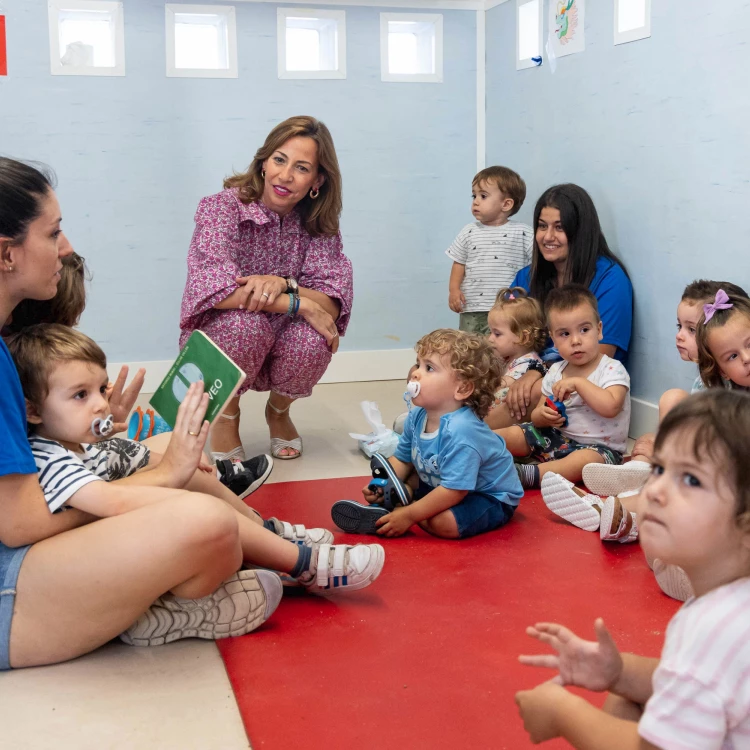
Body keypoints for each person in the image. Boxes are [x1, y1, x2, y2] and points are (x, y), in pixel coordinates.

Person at [0, 158, 377, 670]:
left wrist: (102, 436)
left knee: (164, 452)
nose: (65, 247)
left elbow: (39, 461)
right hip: (14, 583)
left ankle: (257, 546)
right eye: (54, 231)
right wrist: (163, 479)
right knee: (200, 515)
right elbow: (20, 523)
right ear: (7, 254)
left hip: (30, 557)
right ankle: (243, 576)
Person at [515, 390, 750, 749]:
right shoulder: (729, 604)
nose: (654, 490)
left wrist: (562, 712)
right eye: (659, 469)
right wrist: (619, 672)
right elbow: (690, 683)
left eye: (690, 480)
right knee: (628, 695)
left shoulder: (717, 628)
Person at [180, 116, 352, 462]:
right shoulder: (220, 208)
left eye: (301, 168)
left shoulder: (318, 225)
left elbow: (331, 302)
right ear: (263, 162)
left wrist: (285, 285)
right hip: (224, 331)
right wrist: (298, 303)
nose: (285, 176)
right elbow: (214, 290)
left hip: (283, 335)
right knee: (246, 325)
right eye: (279, 159)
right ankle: (227, 416)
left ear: (317, 180)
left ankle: (278, 410)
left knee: (315, 336)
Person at [330, 329, 523, 539]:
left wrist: (409, 515)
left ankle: (406, 503)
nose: (415, 372)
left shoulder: (462, 431)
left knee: (444, 524)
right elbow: (402, 459)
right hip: (442, 482)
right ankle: (404, 496)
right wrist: (382, 483)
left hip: (487, 494)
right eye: (418, 363)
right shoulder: (417, 416)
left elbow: (455, 490)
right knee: (411, 486)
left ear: (462, 388)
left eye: (429, 368)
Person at [580, 279, 748, 499]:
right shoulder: (709, 382)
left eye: (691, 329)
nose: (680, 336)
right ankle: (638, 473)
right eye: (680, 327)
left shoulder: (732, 389)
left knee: (666, 419)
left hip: (716, 466)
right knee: (664, 416)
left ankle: (643, 486)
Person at [505, 184, 633, 422]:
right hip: (528, 370)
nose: (548, 236)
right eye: (542, 226)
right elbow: (504, 336)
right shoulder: (527, 277)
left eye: (559, 228)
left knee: (530, 391)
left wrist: (534, 373)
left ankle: (458, 440)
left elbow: (594, 356)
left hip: (579, 382)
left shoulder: (610, 279)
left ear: (580, 232)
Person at [495, 285, 630, 493]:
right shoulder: (556, 371)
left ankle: (531, 474)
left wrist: (579, 383)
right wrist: (545, 415)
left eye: (584, 330)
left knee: (585, 462)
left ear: (600, 330)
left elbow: (611, 406)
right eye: (564, 334)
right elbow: (537, 416)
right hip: (556, 438)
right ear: (554, 339)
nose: (576, 341)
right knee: (519, 433)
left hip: (600, 448)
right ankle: (478, 447)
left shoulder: (612, 369)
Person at [446, 166, 532, 336]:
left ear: (506, 204)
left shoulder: (523, 232)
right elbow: (459, 263)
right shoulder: (469, 231)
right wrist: (454, 290)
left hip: (508, 308)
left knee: (504, 346)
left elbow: (538, 265)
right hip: (472, 307)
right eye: (474, 195)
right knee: (471, 348)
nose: (475, 201)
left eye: (483, 196)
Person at [485, 287, 547, 430]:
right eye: (490, 332)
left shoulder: (528, 363)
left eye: (497, 334)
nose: (490, 338)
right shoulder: (508, 358)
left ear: (523, 337)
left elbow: (498, 386)